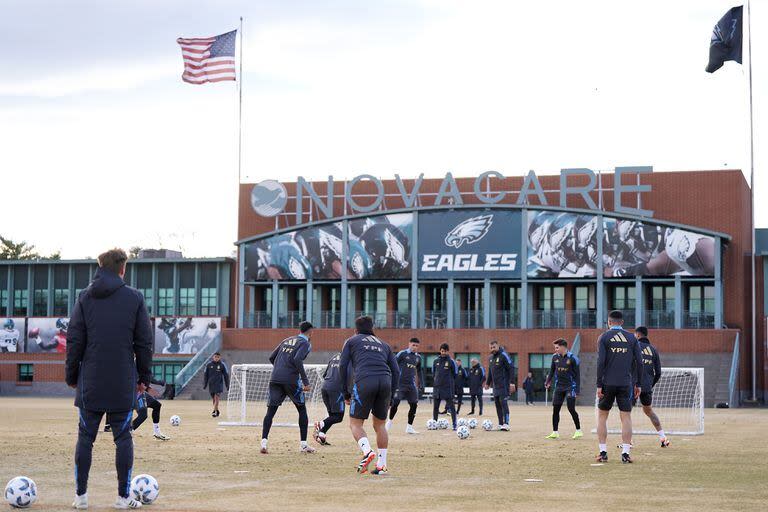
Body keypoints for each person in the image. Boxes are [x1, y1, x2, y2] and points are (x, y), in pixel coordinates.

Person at [65, 248, 153, 510]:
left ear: (99, 266)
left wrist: (72, 376)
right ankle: (123, 498)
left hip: (90, 380)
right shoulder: (135, 298)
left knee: (85, 437)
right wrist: (144, 378)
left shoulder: (84, 297)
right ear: (123, 269)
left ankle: (80, 497)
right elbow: (144, 343)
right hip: (122, 380)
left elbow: (74, 340)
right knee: (123, 437)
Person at [338, 316, 400, 475]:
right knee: (380, 425)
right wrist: (391, 395)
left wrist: (345, 391)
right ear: (373, 328)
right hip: (385, 382)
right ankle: (382, 465)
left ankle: (367, 452)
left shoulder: (351, 341)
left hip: (365, 380)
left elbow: (343, 366)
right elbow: (396, 371)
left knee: (355, 424)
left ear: (355, 329)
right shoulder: (384, 344)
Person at [595, 310, 645, 464]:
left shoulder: (604, 337)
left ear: (609, 322)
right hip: (625, 383)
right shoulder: (631, 338)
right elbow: (639, 362)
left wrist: (598, 384)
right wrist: (638, 384)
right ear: (622, 322)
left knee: (602, 416)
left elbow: (601, 362)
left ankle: (603, 452)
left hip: (607, 383)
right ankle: (625, 453)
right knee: (626, 417)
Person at [260, 321, 315, 454]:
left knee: (270, 412)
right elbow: (297, 359)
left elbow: (271, 357)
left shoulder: (287, 340)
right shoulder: (305, 343)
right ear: (311, 331)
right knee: (302, 409)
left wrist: (280, 369)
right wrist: (306, 382)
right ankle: (303, 445)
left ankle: (264, 443)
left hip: (275, 379)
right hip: (291, 381)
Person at [635, 326, 670, 448]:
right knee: (649, 411)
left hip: (633, 386)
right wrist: (650, 385)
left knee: (626, 413)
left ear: (638, 335)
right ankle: (663, 437)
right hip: (646, 387)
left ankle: (627, 442)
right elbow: (658, 372)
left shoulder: (634, 346)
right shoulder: (653, 350)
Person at [104, 377, 170, 441]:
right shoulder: (135, 367)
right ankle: (126, 434)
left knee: (157, 405)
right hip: (135, 392)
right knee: (143, 415)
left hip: (139, 391)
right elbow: (146, 375)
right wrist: (158, 382)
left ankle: (157, 432)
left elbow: (146, 376)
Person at [545, 339, 582, 440]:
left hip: (570, 387)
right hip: (559, 387)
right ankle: (555, 432)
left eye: (557, 347)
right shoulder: (554, 357)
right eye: (555, 348)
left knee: (571, 409)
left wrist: (577, 390)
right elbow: (552, 371)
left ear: (563, 347)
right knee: (555, 409)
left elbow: (577, 376)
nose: (555, 349)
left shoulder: (573, 358)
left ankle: (578, 430)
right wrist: (548, 381)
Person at [386, 337, 425, 434]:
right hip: (400, 384)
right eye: (413, 345)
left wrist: (422, 383)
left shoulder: (418, 358)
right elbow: (393, 364)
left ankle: (409, 427)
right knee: (395, 403)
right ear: (409, 344)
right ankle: (389, 422)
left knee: (414, 405)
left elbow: (419, 371)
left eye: (417, 346)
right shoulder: (402, 354)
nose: (415, 347)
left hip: (411, 385)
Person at [314, 351, 346, 445]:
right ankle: (320, 424)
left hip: (325, 387)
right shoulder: (349, 358)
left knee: (332, 416)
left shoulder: (334, 356)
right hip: (336, 390)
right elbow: (350, 376)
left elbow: (325, 374)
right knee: (338, 417)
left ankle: (321, 435)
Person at [485, 341, 515, 431]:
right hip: (495, 386)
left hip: (504, 385)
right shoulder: (490, 358)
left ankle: (506, 424)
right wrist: (487, 383)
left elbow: (511, 368)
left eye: (494, 347)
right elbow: (490, 372)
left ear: (498, 346)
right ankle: (500, 424)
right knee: (497, 404)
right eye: (491, 348)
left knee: (503, 403)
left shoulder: (504, 355)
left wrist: (512, 382)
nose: (492, 349)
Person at [432, 343, 458, 430]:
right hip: (437, 388)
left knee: (451, 407)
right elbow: (433, 373)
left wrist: (448, 382)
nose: (443, 353)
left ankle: (454, 423)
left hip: (447, 388)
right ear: (440, 351)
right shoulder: (435, 361)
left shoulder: (451, 361)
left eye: (445, 351)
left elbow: (455, 374)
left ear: (448, 351)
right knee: (436, 407)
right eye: (442, 351)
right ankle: (434, 423)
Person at [203, 352, 230, 417]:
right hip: (211, 385)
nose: (216, 358)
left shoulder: (222, 365)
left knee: (217, 397)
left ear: (219, 357)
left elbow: (226, 375)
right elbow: (205, 375)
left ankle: (214, 412)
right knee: (214, 399)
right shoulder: (208, 365)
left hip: (219, 384)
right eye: (215, 357)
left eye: (218, 357)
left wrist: (227, 385)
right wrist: (205, 384)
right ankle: (217, 410)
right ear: (213, 357)